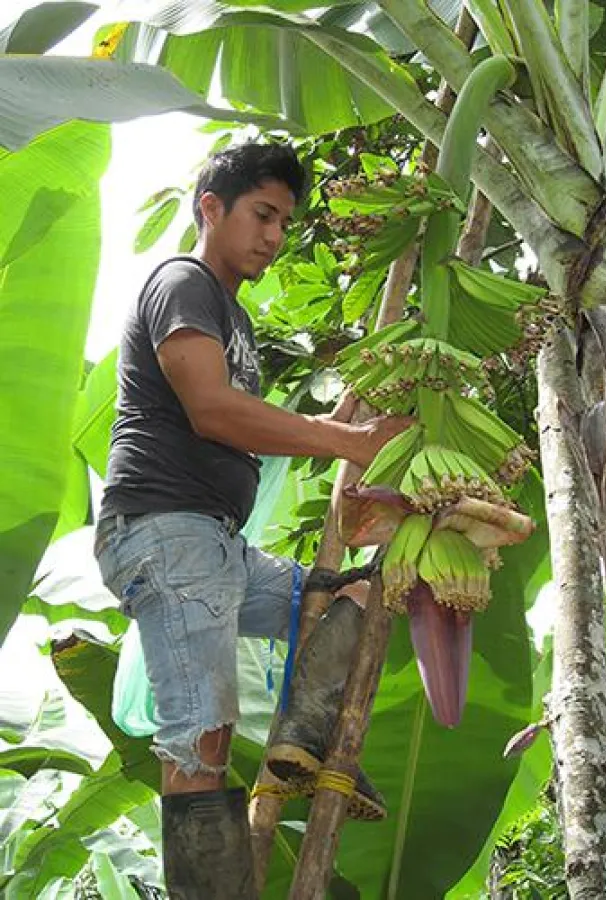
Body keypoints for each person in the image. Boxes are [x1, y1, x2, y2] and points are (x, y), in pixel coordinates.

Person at [94, 142, 412, 899]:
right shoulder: (183, 283)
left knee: (355, 595)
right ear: (212, 207)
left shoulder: (231, 315)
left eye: (283, 222)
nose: (273, 236)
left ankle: (301, 737)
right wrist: (351, 442)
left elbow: (249, 425)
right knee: (200, 738)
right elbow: (211, 410)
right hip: (165, 528)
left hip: (216, 544)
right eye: (261, 215)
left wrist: (333, 427)